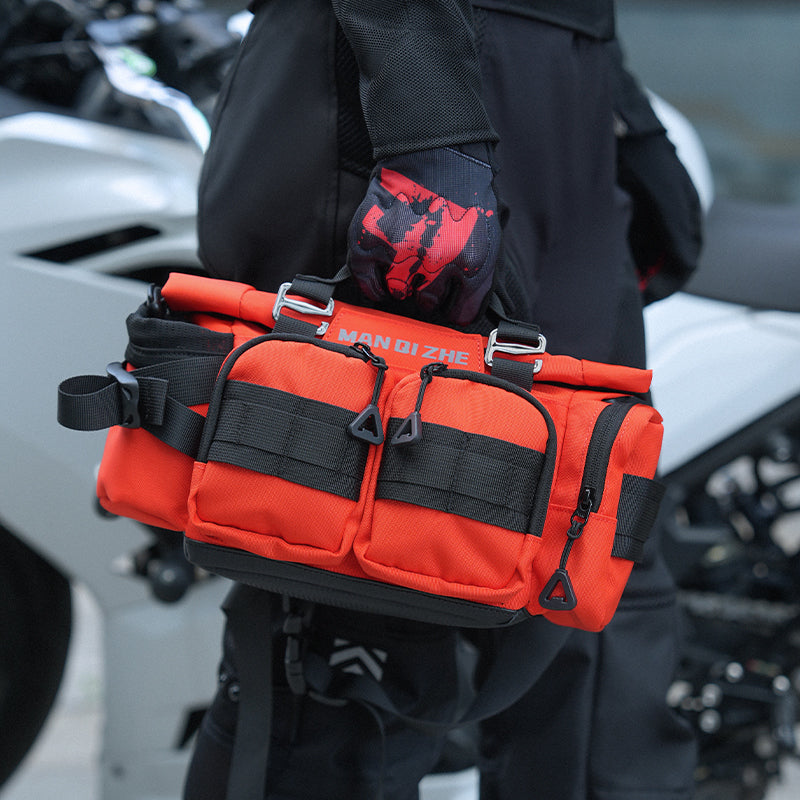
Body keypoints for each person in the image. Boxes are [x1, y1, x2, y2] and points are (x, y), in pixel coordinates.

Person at [183, 1, 702, 798]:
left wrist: (623, 108)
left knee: (588, 561)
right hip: (392, 75)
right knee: (365, 596)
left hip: (560, 87)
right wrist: (430, 134)